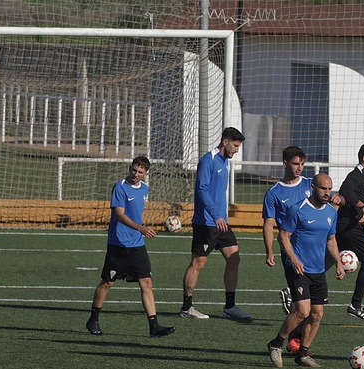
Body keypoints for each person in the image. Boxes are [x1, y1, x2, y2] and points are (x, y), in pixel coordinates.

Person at [87, 156, 174, 339]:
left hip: (137, 245)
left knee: (147, 283)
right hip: (118, 245)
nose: (136, 174)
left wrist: (140, 229)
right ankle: (93, 319)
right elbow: (119, 215)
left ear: (146, 173)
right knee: (107, 283)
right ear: (130, 168)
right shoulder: (119, 187)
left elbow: (138, 212)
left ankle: (154, 326)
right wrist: (141, 228)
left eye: (140, 172)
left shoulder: (144, 189)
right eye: (134, 170)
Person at [267, 173, 344, 369]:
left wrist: (338, 262)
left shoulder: (331, 213)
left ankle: (302, 353)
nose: (327, 193)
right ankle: (276, 343)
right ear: (313, 189)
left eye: (329, 189)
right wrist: (294, 259)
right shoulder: (297, 209)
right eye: (323, 188)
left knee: (317, 315)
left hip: (318, 270)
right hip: (298, 269)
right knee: (302, 311)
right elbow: (283, 237)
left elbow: (331, 240)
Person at [180, 127, 250, 321]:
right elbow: (201, 190)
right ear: (225, 142)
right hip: (207, 223)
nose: (236, 150)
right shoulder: (208, 160)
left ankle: (229, 307)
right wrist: (216, 215)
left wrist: (222, 217)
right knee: (198, 263)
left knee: (234, 258)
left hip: (221, 223)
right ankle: (186, 307)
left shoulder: (225, 161)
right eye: (235, 146)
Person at [261, 146, 312, 328]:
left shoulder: (310, 185)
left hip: (313, 247)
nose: (299, 168)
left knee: (313, 305)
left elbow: (331, 199)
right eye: (295, 164)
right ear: (285, 164)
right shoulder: (274, 193)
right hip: (292, 249)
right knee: (305, 307)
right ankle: (293, 341)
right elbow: (268, 223)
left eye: (302, 164)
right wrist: (269, 251)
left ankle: (292, 296)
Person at [338, 142, 364, 321]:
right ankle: (356, 304)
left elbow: (352, 198)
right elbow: (345, 191)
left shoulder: (363, 176)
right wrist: (361, 205)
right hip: (350, 228)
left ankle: (293, 293)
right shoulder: (356, 175)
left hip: (347, 226)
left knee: (326, 259)